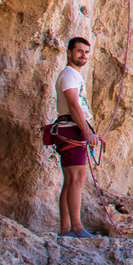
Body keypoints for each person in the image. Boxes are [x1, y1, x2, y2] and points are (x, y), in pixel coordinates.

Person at [53, 36, 102, 238]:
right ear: (69, 53)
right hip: (71, 128)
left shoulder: (73, 75)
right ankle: (76, 227)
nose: (83, 56)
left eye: (86, 52)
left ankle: (66, 228)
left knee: (71, 179)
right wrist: (87, 131)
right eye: (79, 51)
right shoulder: (69, 75)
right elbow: (73, 105)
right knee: (76, 178)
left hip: (71, 128)